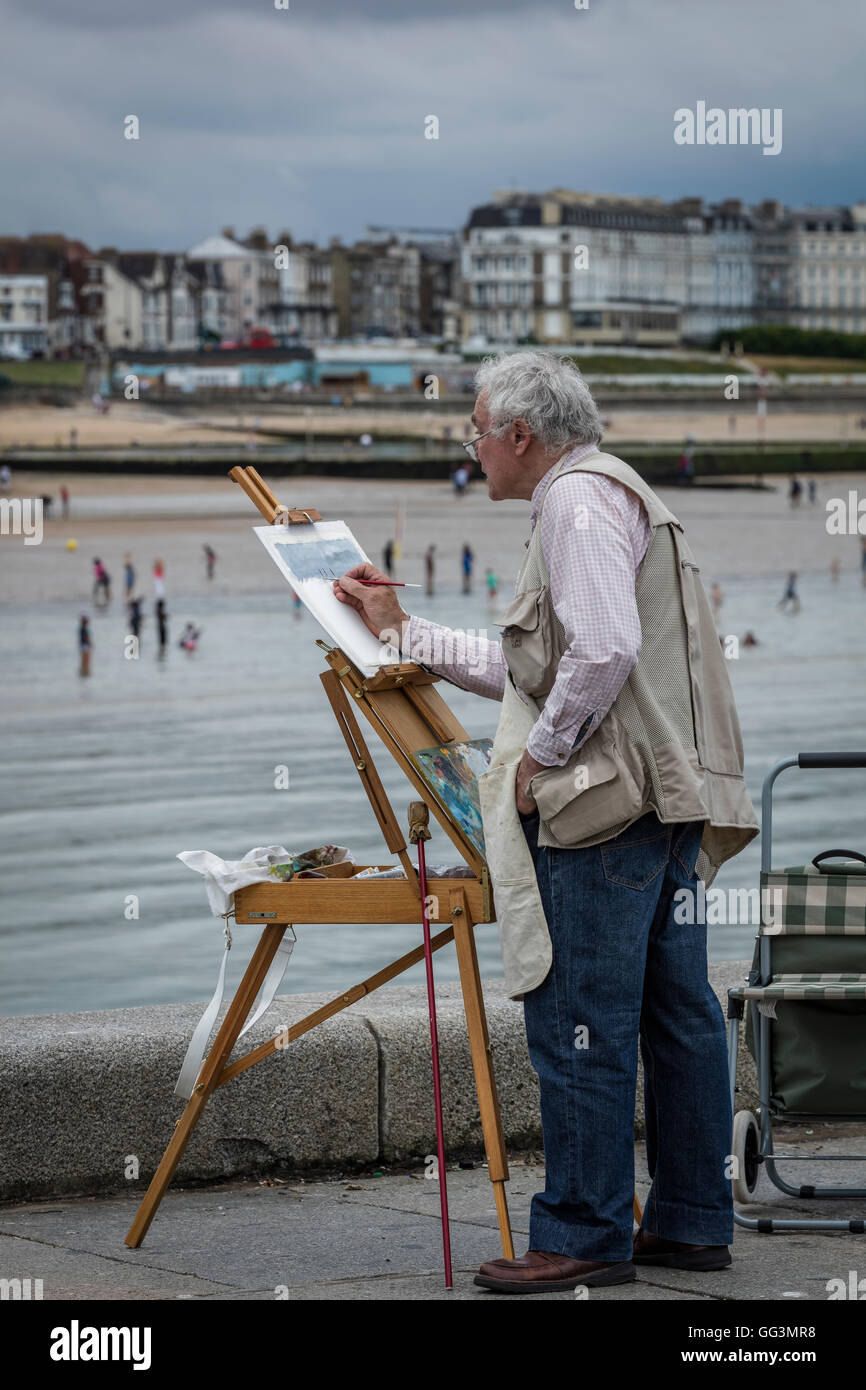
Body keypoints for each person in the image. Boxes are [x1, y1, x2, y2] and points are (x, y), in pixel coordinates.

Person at [333, 350, 758, 1295]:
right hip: (667, 800)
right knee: (677, 1016)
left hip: (603, 810)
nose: (471, 447)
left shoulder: (571, 503)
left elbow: (603, 649)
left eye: (476, 431)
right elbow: (535, 661)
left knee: (578, 1021)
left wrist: (538, 763)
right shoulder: (610, 491)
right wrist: (404, 632)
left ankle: (583, 1234)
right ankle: (691, 1223)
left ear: (520, 434)